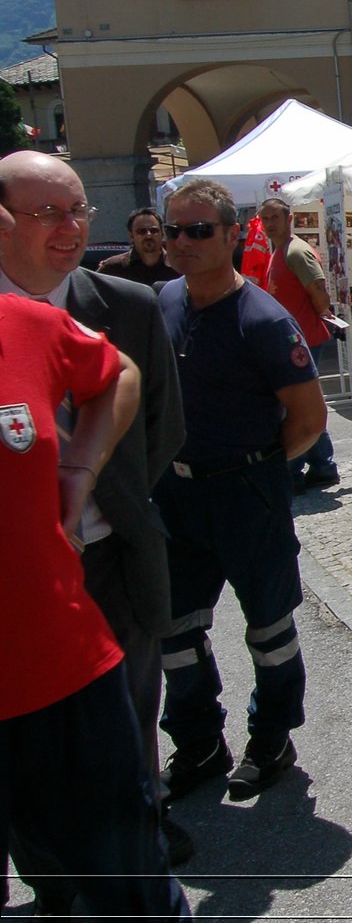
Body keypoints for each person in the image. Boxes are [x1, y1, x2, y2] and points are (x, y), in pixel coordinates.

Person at [0, 151, 191, 888]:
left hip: (110, 557)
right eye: (48, 212)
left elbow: (160, 424)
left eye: (78, 210)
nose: (70, 228)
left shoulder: (127, 306)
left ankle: (136, 837)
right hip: (23, 594)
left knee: (126, 726)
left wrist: (87, 481)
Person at [154, 179, 328, 804]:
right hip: (176, 497)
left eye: (199, 230)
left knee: (268, 629)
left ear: (232, 235)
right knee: (174, 633)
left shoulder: (263, 318)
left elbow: (309, 422)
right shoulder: (161, 302)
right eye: (173, 229)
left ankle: (272, 739)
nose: (182, 242)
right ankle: (199, 743)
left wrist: (250, 467)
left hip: (245, 494)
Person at [259, 197, 340, 492]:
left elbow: (318, 289)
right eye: (265, 219)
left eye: (274, 218)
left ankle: (297, 470)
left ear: (288, 218)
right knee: (302, 404)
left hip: (303, 340)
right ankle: (322, 466)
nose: (269, 224)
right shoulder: (279, 251)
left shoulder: (295, 251)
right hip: (294, 340)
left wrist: (322, 314)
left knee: (297, 406)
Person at [97, 206, 179, 287]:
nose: (148, 235)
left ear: (163, 233)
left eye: (154, 230)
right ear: (131, 235)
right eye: (141, 231)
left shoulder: (178, 265)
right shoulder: (112, 268)